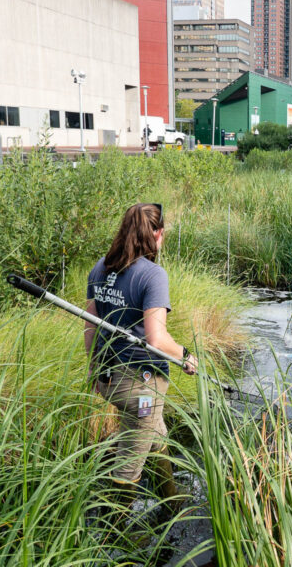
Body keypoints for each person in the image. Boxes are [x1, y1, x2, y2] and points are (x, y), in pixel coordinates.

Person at [84, 203, 198, 489]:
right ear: (157, 234)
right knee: (127, 469)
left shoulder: (99, 268)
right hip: (141, 388)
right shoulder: (153, 274)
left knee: (156, 433)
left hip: (109, 380)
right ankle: (116, 531)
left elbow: (90, 325)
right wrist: (185, 355)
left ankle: (171, 503)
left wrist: (93, 370)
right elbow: (156, 339)